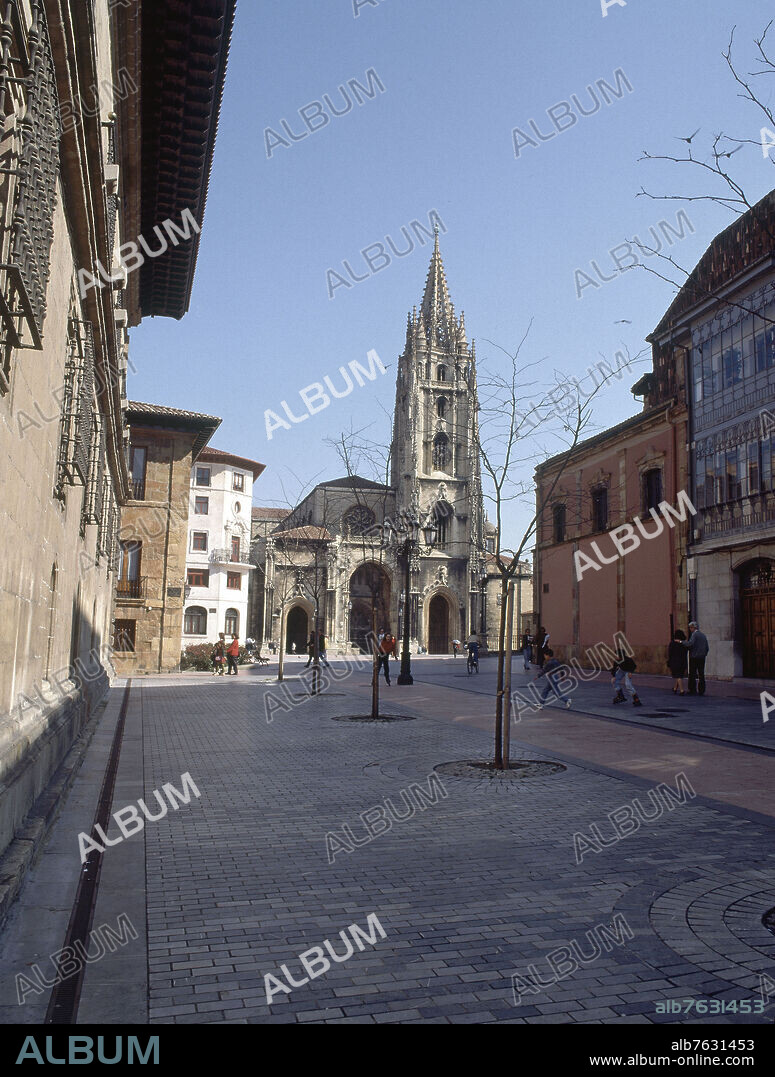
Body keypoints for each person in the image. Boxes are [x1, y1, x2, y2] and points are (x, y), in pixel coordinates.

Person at [683, 621, 709, 696]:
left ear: (693, 627)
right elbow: (707, 647)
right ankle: (702, 690)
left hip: (694, 657)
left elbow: (690, 643)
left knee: (692, 674)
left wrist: (682, 642)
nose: (690, 629)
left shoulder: (694, 635)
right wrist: (704, 654)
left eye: (690, 628)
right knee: (701, 674)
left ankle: (692, 689)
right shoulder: (703, 635)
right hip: (702, 657)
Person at [667, 629, 688, 694]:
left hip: (675, 661)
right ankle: (675, 688)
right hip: (683, 661)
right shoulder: (683, 643)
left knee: (678, 676)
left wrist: (669, 661)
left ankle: (682, 690)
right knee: (679, 675)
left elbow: (670, 653)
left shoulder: (672, 643)